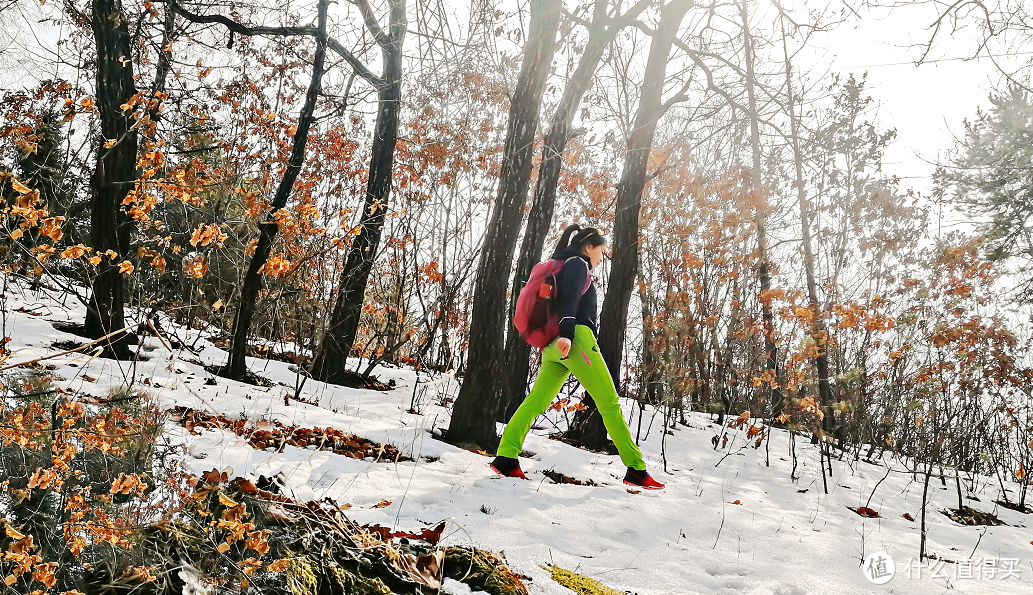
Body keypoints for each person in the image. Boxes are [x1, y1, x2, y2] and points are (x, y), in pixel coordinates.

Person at [490, 224, 665, 490]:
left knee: (535, 402)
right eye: (600, 251)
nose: (600, 258)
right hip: (574, 341)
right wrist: (568, 333)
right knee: (609, 403)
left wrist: (560, 336)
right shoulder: (577, 264)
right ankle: (637, 470)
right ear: (588, 247)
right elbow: (569, 299)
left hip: (552, 345)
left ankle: (505, 457)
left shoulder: (560, 263)